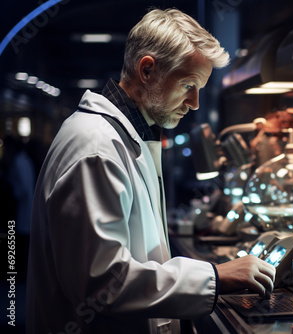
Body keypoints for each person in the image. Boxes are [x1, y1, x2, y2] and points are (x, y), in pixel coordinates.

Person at [27, 8, 275, 334]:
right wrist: (215, 276)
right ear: (147, 70)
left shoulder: (127, 135)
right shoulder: (96, 148)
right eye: (188, 84)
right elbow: (101, 285)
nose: (195, 102)